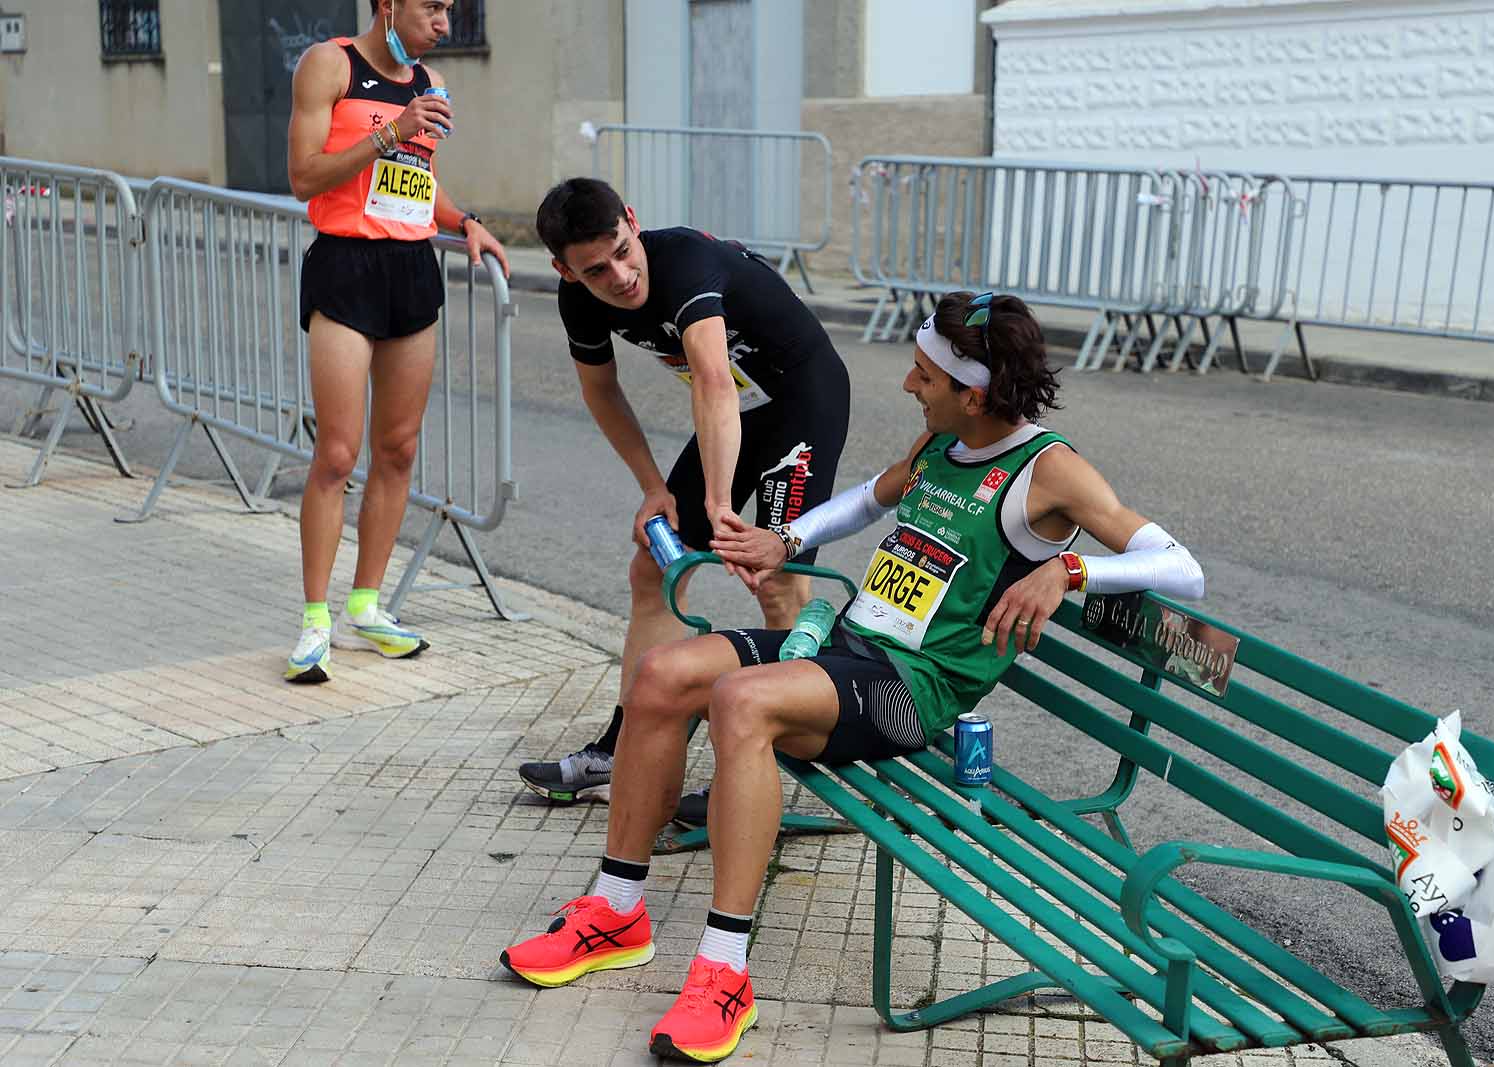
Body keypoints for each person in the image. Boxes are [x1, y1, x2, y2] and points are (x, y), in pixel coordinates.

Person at [498, 290, 1206, 1062]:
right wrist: (785, 539)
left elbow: (1182, 568)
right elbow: (869, 499)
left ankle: (726, 971)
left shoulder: (1050, 470)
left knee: (740, 700)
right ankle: (618, 909)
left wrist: (1069, 569)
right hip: (846, 649)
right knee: (663, 674)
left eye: (923, 376)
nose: (909, 385)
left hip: (911, 692)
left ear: (973, 393)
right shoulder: (943, 442)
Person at [517, 178, 851, 812]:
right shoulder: (579, 300)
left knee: (780, 580)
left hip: (801, 398)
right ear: (564, 271)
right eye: (595, 269)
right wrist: (652, 489)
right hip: (741, 412)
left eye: (622, 249)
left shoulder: (683, 265)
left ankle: (788, 770)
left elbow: (713, 381)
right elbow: (601, 392)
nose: (619, 275)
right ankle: (622, 747)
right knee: (654, 566)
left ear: (632, 222)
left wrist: (719, 511)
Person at [284, 0, 508, 684]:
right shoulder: (330, 65)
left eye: (449, 10)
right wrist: (389, 133)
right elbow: (303, 178)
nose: (443, 22)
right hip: (345, 264)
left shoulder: (430, 86)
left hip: (411, 269)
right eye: (431, 7)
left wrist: (464, 219)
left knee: (399, 447)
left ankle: (368, 604)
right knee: (338, 451)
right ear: (387, 6)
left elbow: (416, 184)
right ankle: (314, 621)